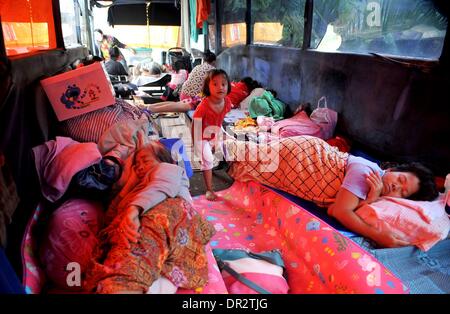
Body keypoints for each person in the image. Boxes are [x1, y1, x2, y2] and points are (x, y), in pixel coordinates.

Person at [224, 135, 438, 247]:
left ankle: (222, 147)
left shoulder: (373, 192)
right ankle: (217, 145)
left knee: (254, 162)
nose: (396, 186)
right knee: (255, 158)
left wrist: (371, 200)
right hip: (304, 157)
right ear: (390, 169)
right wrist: (381, 237)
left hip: (303, 163)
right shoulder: (368, 172)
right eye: (400, 179)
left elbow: (340, 208)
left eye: (402, 192)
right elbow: (340, 212)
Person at [84, 141, 215, 294]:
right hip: (161, 246)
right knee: (123, 243)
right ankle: (125, 282)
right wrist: (129, 185)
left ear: (163, 160)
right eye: (136, 164)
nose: (139, 167)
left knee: (153, 223)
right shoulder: (137, 189)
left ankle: (124, 284)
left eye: (145, 160)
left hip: (173, 221)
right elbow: (113, 213)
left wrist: (134, 209)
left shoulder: (169, 170)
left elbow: (162, 184)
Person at [192, 69, 232, 201]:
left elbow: (219, 120)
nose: (220, 87)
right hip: (201, 136)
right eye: (215, 84)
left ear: (228, 86)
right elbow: (195, 127)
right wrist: (197, 147)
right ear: (207, 87)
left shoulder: (227, 103)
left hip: (215, 132)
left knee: (229, 147)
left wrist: (217, 138)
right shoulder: (203, 107)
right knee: (207, 159)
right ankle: (209, 189)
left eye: (223, 84)